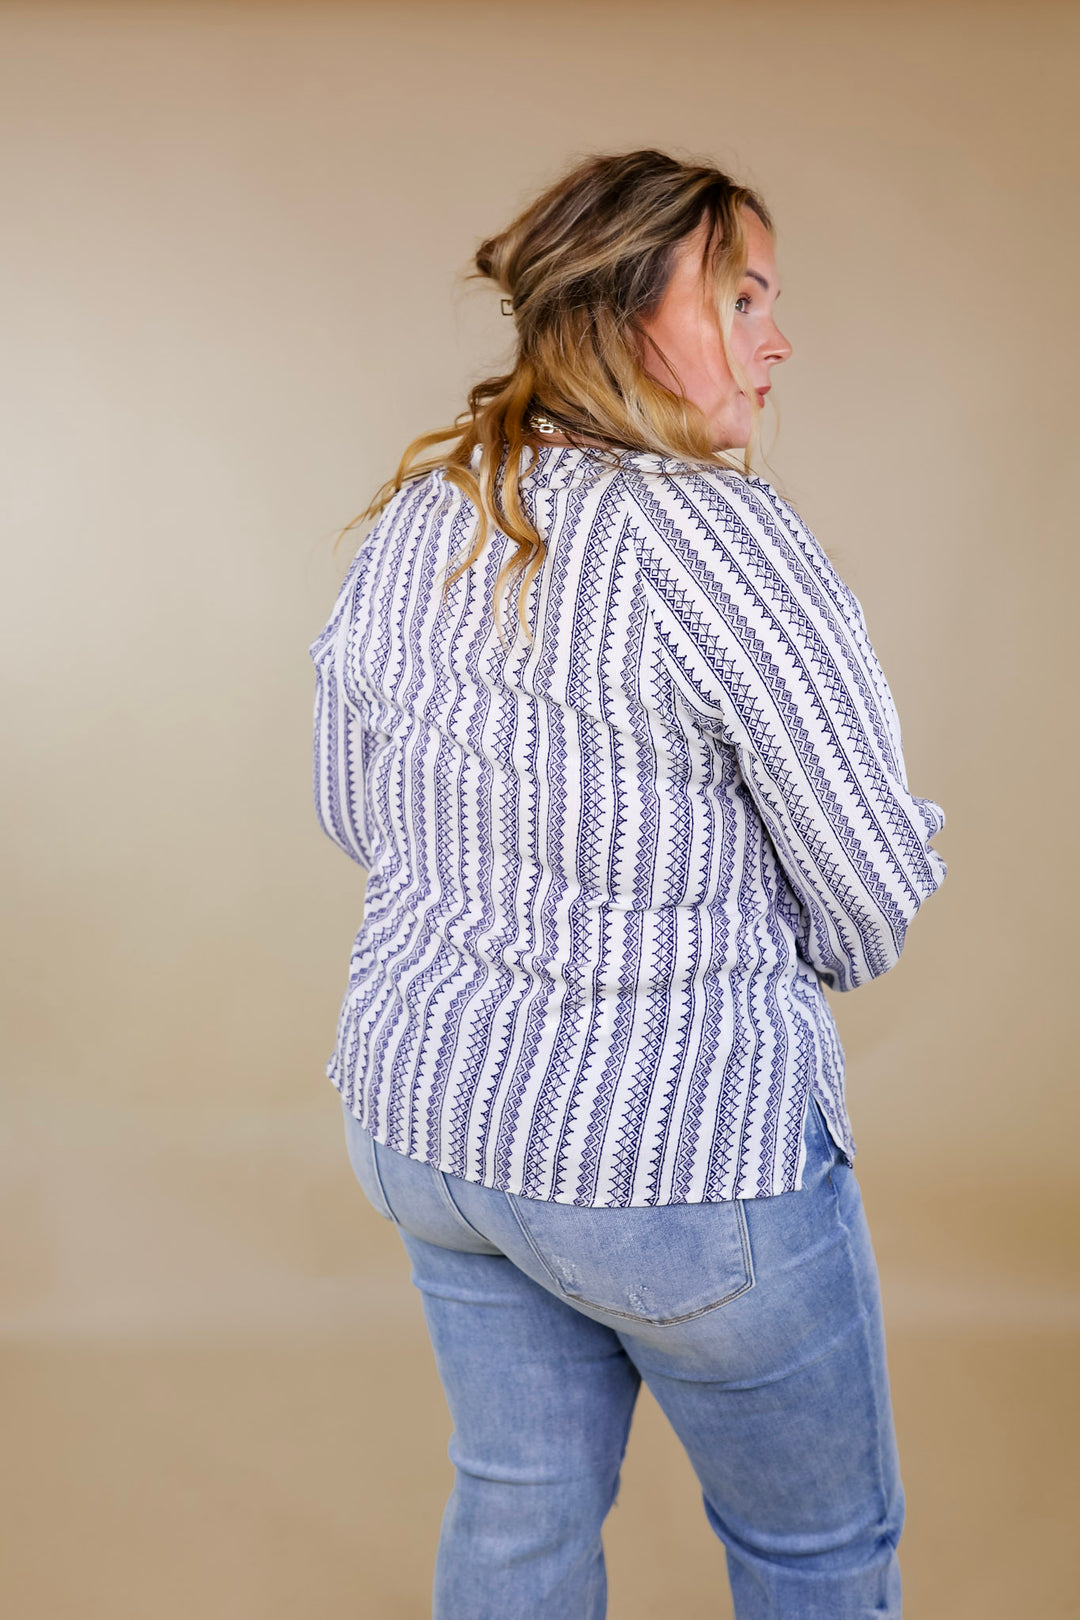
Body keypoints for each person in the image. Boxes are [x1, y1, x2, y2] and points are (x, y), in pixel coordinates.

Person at [309, 149, 947, 1620]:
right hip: (680, 1171)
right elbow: (869, 895)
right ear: (618, 310)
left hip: (434, 1127)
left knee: (518, 1511)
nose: (777, 341)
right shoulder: (726, 540)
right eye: (743, 298)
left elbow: (355, 811)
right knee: (815, 1549)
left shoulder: (429, 508)